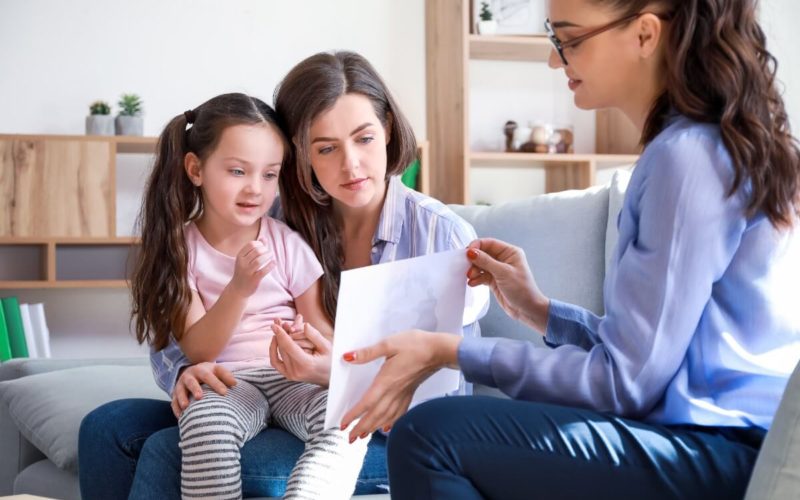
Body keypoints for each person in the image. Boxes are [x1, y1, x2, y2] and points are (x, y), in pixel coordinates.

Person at [326, 0, 800, 498]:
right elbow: (644, 357)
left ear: (644, 35)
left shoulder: (686, 159)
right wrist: (540, 312)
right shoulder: (697, 147)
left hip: (717, 452)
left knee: (429, 436)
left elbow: (625, 385)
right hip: (712, 442)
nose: (556, 60)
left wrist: (451, 351)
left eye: (568, 39)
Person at [78, 52, 488, 498]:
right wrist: (187, 371)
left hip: (394, 427)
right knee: (107, 427)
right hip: (252, 385)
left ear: (388, 129)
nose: (350, 165)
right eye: (326, 147)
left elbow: (446, 386)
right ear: (299, 152)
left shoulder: (440, 234)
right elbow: (185, 329)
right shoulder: (272, 214)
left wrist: (333, 373)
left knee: (168, 449)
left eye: (365, 139)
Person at [125, 91, 380, 500]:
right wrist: (240, 287)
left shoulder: (287, 243)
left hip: (294, 377)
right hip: (227, 379)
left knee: (346, 415)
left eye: (269, 174)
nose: (255, 190)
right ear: (195, 169)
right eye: (238, 171)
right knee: (203, 422)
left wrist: (314, 350)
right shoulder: (180, 249)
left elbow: (323, 331)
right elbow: (198, 349)